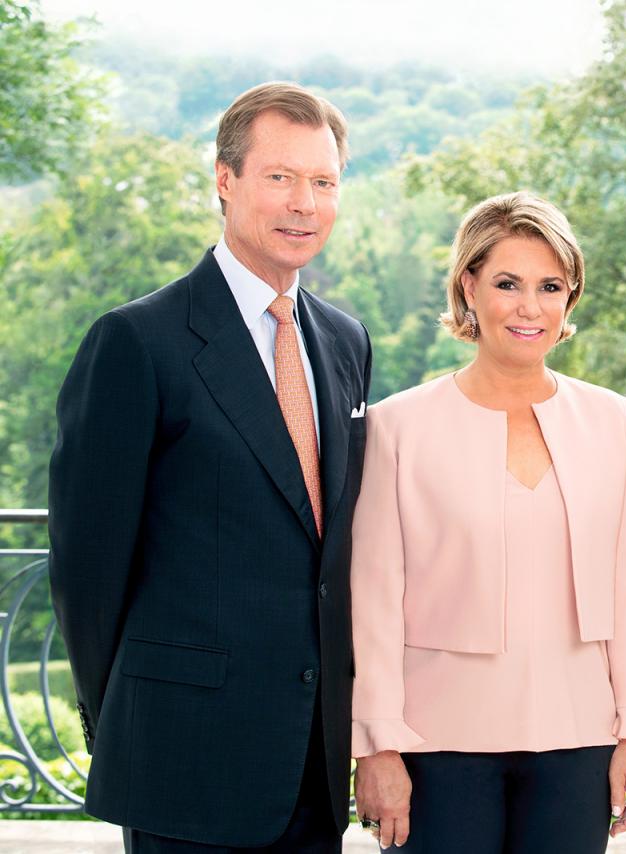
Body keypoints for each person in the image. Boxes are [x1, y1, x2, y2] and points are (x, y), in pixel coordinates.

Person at [47, 82, 371, 852]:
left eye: (324, 182)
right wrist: (132, 716)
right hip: (181, 761)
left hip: (309, 767)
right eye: (281, 177)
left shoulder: (345, 341)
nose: (305, 203)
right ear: (225, 180)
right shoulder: (137, 342)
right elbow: (87, 571)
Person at [349, 191, 626, 853]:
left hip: (579, 742)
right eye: (507, 284)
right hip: (435, 744)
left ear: (570, 296)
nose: (530, 307)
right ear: (469, 286)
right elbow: (373, 601)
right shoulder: (398, 426)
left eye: (550, 286)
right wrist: (377, 747)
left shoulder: (614, 421)